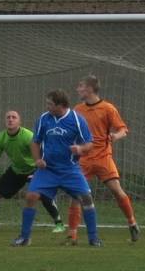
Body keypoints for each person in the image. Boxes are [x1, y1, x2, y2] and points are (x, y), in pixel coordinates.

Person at [12, 89, 101, 247]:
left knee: (86, 198)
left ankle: (93, 238)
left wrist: (80, 149)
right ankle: (24, 237)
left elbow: (89, 143)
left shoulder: (77, 120)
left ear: (60, 105)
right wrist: (37, 160)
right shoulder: (44, 119)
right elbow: (35, 142)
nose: (47, 106)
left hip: (70, 170)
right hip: (48, 170)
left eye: (50, 104)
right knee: (31, 196)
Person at [68, 76, 139, 244]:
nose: (78, 89)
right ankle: (72, 235)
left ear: (90, 89)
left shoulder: (108, 108)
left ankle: (132, 223)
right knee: (76, 195)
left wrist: (116, 136)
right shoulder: (77, 110)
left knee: (117, 190)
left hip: (103, 157)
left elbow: (123, 129)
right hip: (84, 159)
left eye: (80, 86)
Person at [0, 110, 62, 233]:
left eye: (14, 117)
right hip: (16, 170)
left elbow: (42, 154)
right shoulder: (1, 137)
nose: (10, 119)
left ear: (19, 121)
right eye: (8, 117)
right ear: (5, 121)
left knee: (42, 194)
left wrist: (42, 170)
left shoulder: (28, 136)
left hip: (34, 169)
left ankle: (59, 223)